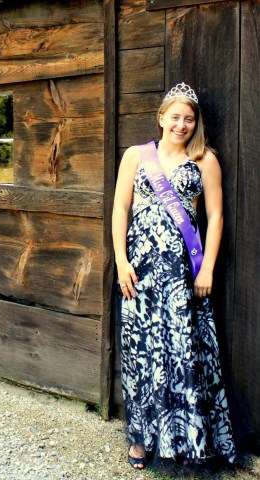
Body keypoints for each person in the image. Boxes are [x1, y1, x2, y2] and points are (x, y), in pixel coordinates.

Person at [112, 83, 236, 469]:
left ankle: (184, 439)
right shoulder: (136, 156)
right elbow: (120, 208)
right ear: (161, 117)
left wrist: (209, 267)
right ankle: (140, 438)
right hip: (140, 274)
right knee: (141, 353)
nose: (181, 124)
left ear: (194, 122)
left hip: (185, 274)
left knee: (182, 354)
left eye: (189, 118)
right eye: (175, 117)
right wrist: (120, 260)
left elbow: (214, 217)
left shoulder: (205, 160)